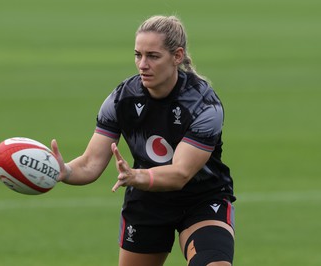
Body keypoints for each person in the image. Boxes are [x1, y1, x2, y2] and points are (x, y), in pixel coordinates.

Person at [51, 15, 236, 266]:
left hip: (201, 199)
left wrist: (138, 177)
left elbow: (181, 173)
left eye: (153, 56)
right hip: (148, 203)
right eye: (138, 55)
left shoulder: (203, 105)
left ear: (177, 56)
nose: (142, 64)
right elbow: (91, 163)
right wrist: (63, 171)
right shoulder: (121, 100)